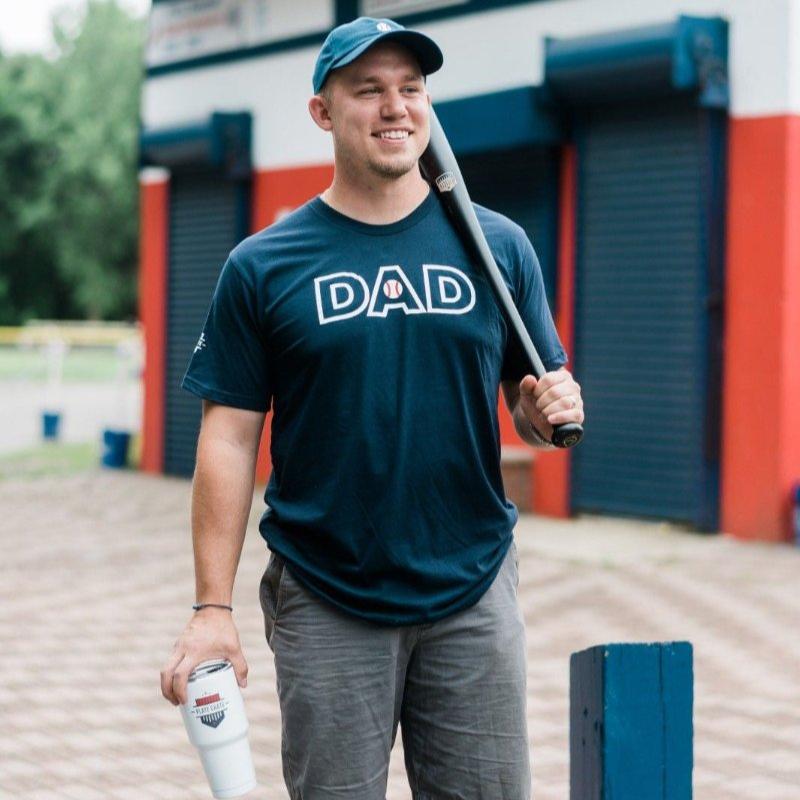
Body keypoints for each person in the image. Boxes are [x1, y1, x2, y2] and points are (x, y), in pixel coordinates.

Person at [160, 16, 584, 800]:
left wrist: (543, 410)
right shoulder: (264, 265)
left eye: (411, 90)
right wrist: (211, 607)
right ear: (323, 112)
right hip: (328, 592)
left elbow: (533, 412)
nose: (396, 108)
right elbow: (227, 441)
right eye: (370, 91)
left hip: (473, 585)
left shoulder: (498, 247)